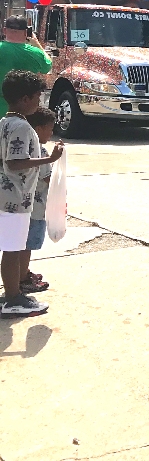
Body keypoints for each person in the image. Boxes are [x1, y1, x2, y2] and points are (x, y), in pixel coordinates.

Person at [0, 71, 63, 318]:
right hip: (16, 198)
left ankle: (13, 293)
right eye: (38, 96)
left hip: (7, 195)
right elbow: (15, 162)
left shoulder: (4, 122)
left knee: (10, 248)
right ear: (25, 99)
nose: (39, 102)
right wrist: (50, 158)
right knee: (13, 249)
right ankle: (12, 298)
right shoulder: (22, 127)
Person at [20, 108, 56, 295]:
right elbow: (49, 178)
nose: (51, 133)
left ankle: (23, 273)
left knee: (21, 245)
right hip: (35, 209)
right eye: (49, 129)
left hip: (23, 205)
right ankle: (23, 279)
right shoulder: (39, 151)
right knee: (26, 246)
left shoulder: (26, 147)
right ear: (38, 128)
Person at [0, 17, 52, 116]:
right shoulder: (36, 53)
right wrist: (37, 44)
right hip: (24, 111)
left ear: (5, 30)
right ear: (26, 33)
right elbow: (47, 66)